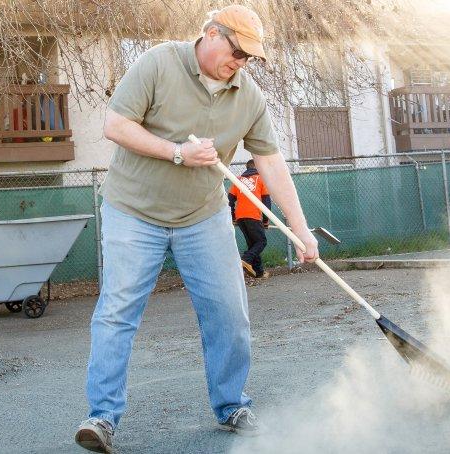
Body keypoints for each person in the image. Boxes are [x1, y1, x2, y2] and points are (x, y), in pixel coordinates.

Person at [75, 5, 319, 453]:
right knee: (117, 311)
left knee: (228, 312)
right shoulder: (158, 62)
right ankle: (102, 417)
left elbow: (270, 160)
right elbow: (116, 125)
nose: (241, 63)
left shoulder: (248, 97)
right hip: (133, 211)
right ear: (210, 34)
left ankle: (231, 406)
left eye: (250, 57)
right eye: (237, 51)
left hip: (203, 217)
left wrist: (302, 231)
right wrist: (175, 153)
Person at [229, 160, 271, 279]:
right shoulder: (261, 179)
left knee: (253, 243)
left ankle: (258, 272)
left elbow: (230, 200)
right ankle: (245, 260)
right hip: (253, 215)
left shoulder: (238, 180)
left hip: (240, 216)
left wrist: (233, 217)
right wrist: (265, 220)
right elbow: (266, 202)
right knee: (261, 242)